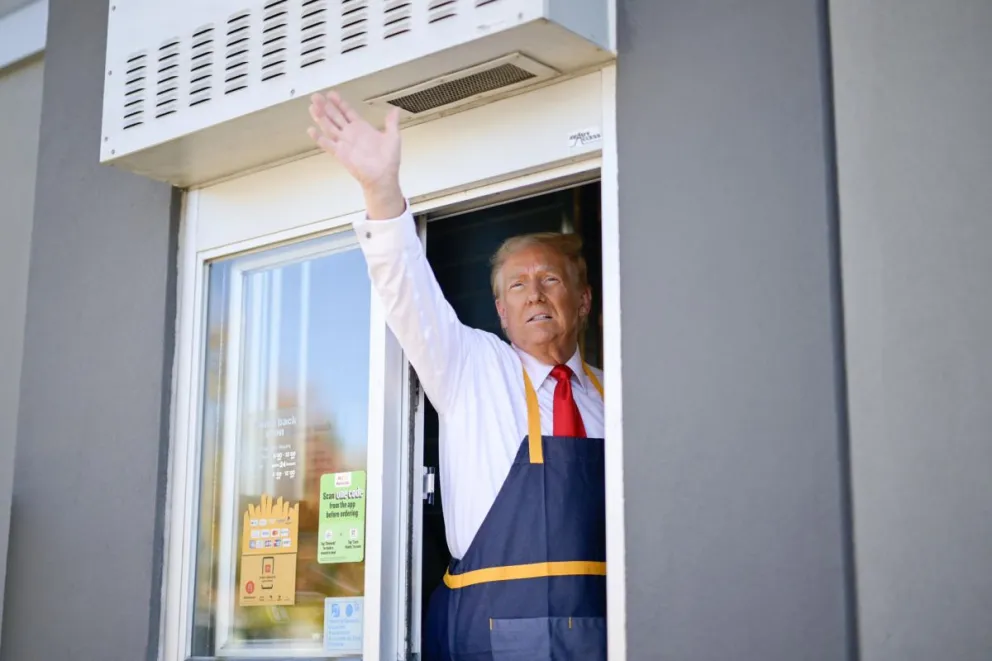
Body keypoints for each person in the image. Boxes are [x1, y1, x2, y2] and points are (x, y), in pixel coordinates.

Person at [308, 92, 606, 661]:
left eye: (550, 280)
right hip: (492, 642)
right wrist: (380, 191)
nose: (535, 294)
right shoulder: (470, 366)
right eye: (516, 285)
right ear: (499, 311)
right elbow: (406, 291)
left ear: (583, 298)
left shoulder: (615, 394)